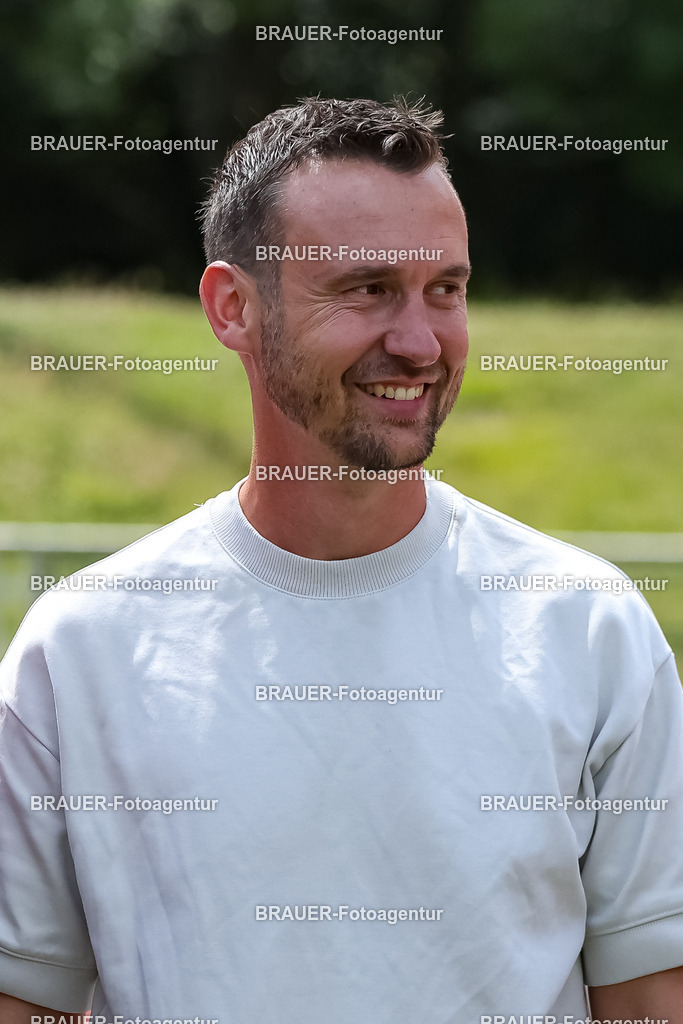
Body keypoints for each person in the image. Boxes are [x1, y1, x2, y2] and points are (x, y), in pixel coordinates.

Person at [1, 96, 682, 1023]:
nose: (419, 341)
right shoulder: (79, 648)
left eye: (445, 289)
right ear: (233, 307)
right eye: (367, 288)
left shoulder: (589, 626)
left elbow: (649, 996)